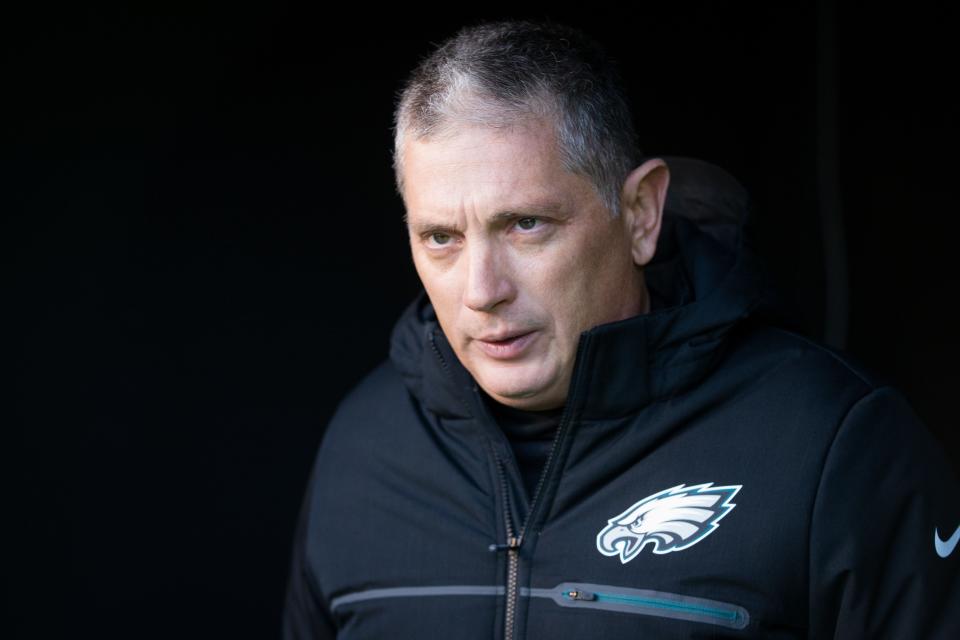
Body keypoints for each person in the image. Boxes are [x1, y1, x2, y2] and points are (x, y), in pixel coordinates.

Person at [282, 20, 960, 639]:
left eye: (525, 225)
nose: (482, 290)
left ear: (639, 214)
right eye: (440, 238)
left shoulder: (835, 446)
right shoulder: (363, 445)